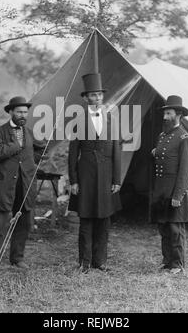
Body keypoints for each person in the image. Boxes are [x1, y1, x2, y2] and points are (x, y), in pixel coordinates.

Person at [68, 73, 121, 273]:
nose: (97, 98)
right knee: (86, 219)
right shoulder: (78, 121)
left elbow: (117, 150)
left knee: (104, 220)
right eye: (92, 95)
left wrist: (117, 178)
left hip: (107, 176)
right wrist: (74, 180)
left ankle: (101, 261)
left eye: (99, 95)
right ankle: (85, 262)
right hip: (86, 176)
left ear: (102, 97)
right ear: (86, 98)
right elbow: (73, 154)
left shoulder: (111, 120)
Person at [0, 96, 44, 274]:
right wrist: (15, 145)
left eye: (25, 112)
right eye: (19, 112)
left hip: (25, 186)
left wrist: (34, 161)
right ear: (10, 112)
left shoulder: (30, 132)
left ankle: (17, 258)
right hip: (5, 187)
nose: (22, 115)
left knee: (24, 223)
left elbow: (38, 151)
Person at [151, 95, 188, 274]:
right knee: (163, 227)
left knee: (175, 228)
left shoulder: (185, 138)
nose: (165, 117)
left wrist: (178, 195)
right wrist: (156, 152)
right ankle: (167, 260)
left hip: (175, 189)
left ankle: (177, 264)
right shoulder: (162, 136)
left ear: (178, 115)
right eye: (165, 113)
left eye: (168, 113)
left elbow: (187, 170)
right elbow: (164, 157)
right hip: (161, 189)